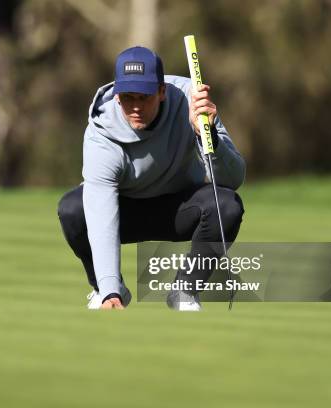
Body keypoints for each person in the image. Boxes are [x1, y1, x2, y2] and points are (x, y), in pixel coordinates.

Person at [57, 46, 245, 311]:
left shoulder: (192, 101)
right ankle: (105, 289)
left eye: (143, 97)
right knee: (73, 210)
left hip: (180, 208)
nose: (135, 107)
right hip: (125, 212)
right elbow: (100, 211)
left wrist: (207, 134)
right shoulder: (101, 132)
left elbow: (233, 178)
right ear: (117, 95)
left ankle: (185, 291)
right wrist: (110, 288)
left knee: (227, 206)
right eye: (127, 98)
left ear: (161, 91)